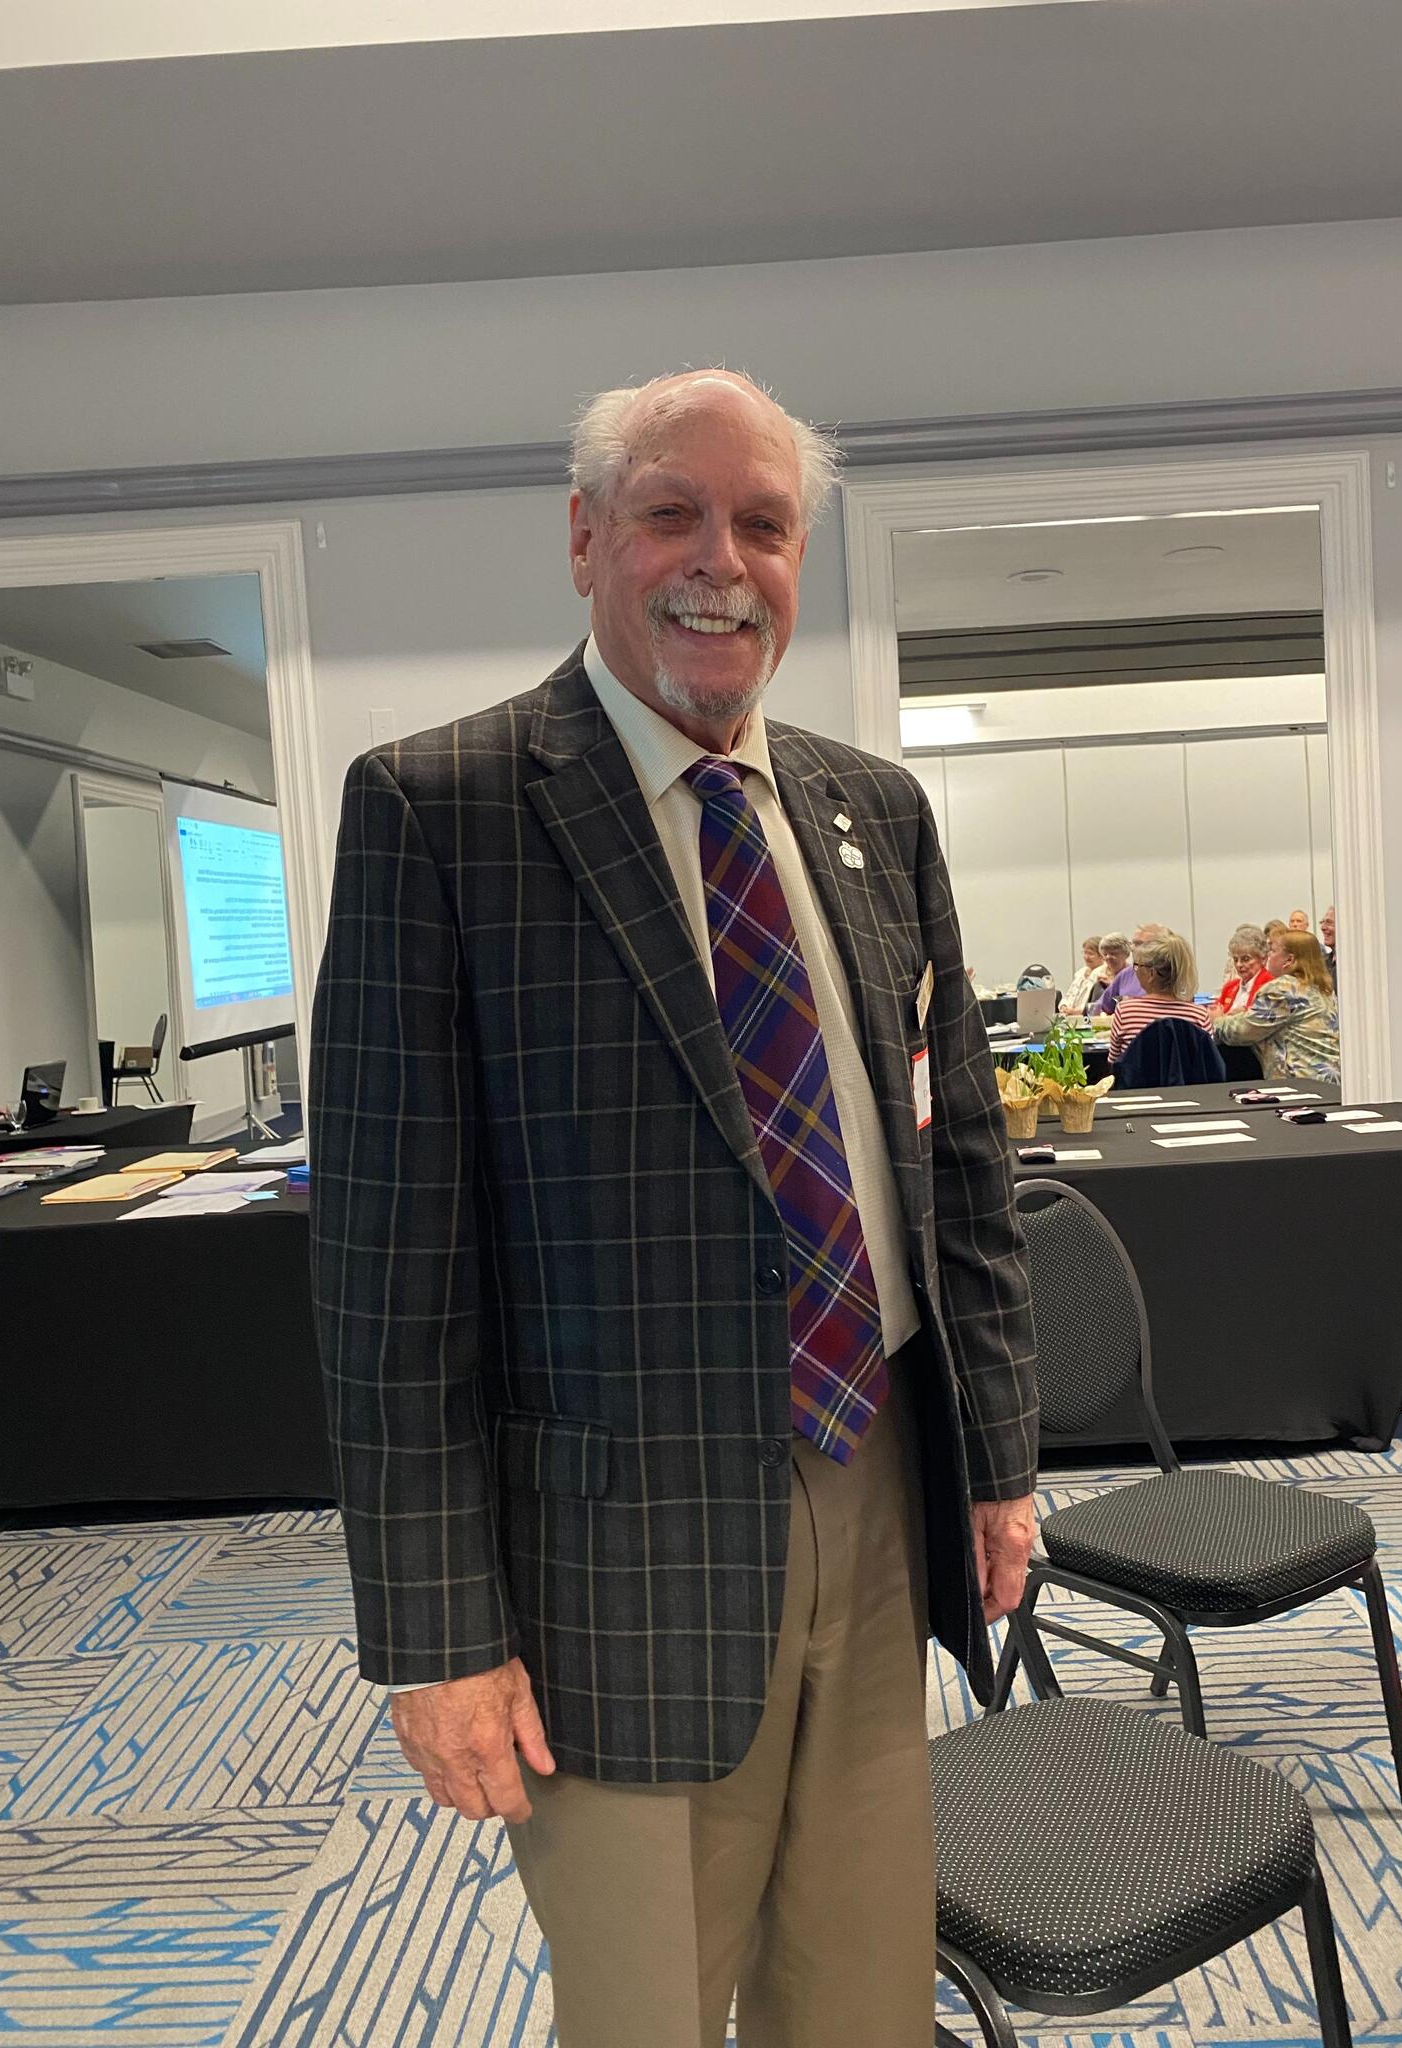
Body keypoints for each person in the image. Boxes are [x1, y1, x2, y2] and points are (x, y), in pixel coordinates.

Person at [308, 368, 1039, 2048]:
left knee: (858, 1997)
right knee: (645, 2007)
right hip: (608, 1565)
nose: (723, 560)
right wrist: (436, 1634)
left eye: (764, 524)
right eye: (671, 514)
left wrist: (997, 1461)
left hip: (875, 1494)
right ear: (585, 540)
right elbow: (384, 1273)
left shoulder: (874, 813)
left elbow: (960, 1176)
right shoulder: (442, 811)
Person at [1215, 927, 1340, 1082]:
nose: (1268, 957)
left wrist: (1217, 1020)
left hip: (1298, 1084)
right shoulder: (1324, 988)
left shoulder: (1283, 988)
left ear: (1289, 960)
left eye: (1273, 951)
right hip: (1329, 1082)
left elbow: (1243, 1032)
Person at [1106, 930, 1214, 1065]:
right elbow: (1208, 1063)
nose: (1135, 971)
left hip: (1137, 1086)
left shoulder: (1125, 1011)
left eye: (1137, 966)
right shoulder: (1198, 1015)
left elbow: (1113, 1062)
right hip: (1188, 1086)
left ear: (1151, 973)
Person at [1093, 921, 1167, 1015]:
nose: (1133, 949)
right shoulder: (1126, 974)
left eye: (1140, 944)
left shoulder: (1173, 975)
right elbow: (1098, 1007)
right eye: (1133, 943)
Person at [1211, 923, 1274, 1016]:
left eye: (1246, 959)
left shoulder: (1270, 986)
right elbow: (1213, 1012)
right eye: (1236, 959)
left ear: (1263, 959)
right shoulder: (1230, 987)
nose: (1239, 964)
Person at [1060, 935, 1105, 1014]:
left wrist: (1076, 1011)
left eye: (1091, 954)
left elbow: (1096, 1003)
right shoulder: (1080, 973)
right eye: (1084, 953)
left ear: (1102, 956)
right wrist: (1064, 1006)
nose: (1086, 957)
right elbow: (1068, 995)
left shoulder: (1103, 975)